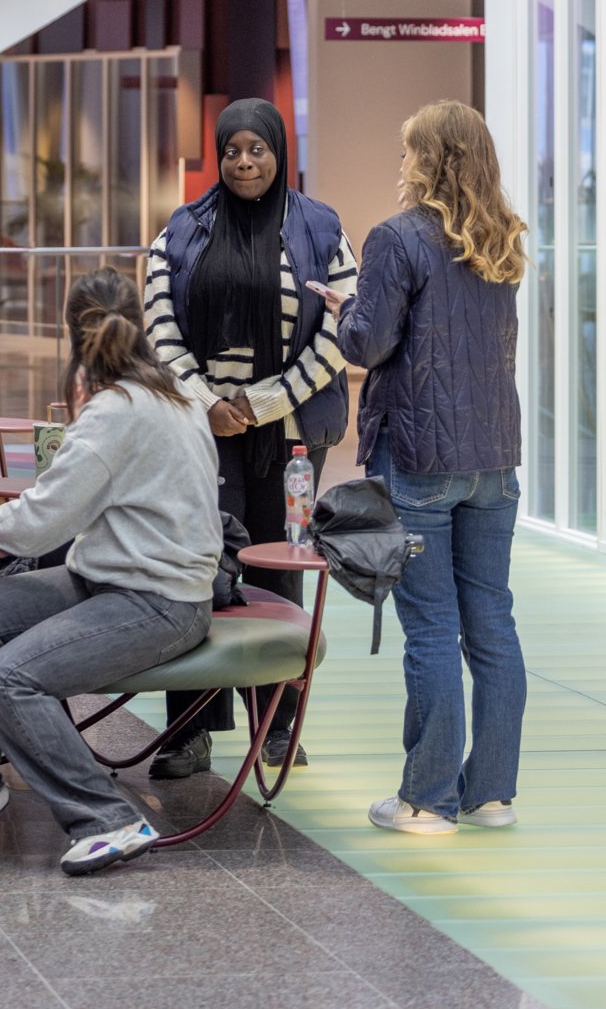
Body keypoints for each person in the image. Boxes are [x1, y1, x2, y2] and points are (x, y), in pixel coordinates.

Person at [0, 268, 222, 877]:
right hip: (116, 579)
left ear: (74, 336)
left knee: (7, 680)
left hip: (160, 601)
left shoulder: (118, 410)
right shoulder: (173, 391)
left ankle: (108, 820)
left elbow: (39, 524)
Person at [315, 99, 528, 837]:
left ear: (432, 160)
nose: (401, 164)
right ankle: (491, 792)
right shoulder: (501, 239)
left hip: (422, 461)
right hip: (495, 462)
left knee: (432, 628)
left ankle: (428, 799)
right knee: (492, 624)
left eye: (410, 152)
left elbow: (367, 345)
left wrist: (344, 310)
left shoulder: (395, 238)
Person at [143, 97, 356, 777]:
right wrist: (205, 400)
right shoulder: (182, 229)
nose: (243, 162)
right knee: (196, 570)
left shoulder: (321, 228)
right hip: (201, 434)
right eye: (232, 150)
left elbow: (340, 329)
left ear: (278, 151)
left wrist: (262, 403)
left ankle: (276, 725)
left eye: (256, 149)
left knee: (277, 572)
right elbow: (157, 322)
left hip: (289, 436)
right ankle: (190, 730)